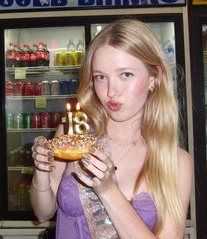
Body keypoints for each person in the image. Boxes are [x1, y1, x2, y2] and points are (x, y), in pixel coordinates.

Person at [31, 18, 193, 239]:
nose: (110, 91)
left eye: (125, 75)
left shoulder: (174, 161)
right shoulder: (74, 134)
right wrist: (42, 169)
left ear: (154, 77)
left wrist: (108, 190)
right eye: (100, 77)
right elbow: (42, 213)